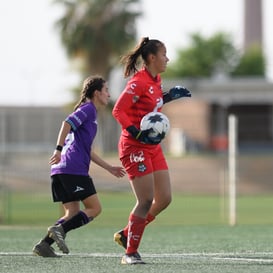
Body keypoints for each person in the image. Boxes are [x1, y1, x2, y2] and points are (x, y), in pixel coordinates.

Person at [112, 37, 191, 264]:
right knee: (146, 200)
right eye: (164, 54)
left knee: (164, 198)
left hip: (152, 147)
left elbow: (150, 104)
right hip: (133, 146)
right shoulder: (138, 83)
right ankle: (130, 253)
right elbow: (118, 111)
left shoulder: (156, 80)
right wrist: (136, 132)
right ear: (152, 58)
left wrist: (168, 96)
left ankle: (128, 232)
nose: (168, 58)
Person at [33, 75, 126, 257]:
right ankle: (61, 230)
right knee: (95, 208)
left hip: (60, 170)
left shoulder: (90, 113)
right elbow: (66, 123)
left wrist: (109, 167)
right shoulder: (88, 109)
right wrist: (58, 149)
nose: (108, 94)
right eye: (106, 90)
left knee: (72, 211)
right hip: (72, 169)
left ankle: (44, 245)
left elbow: (87, 150)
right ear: (97, 93)